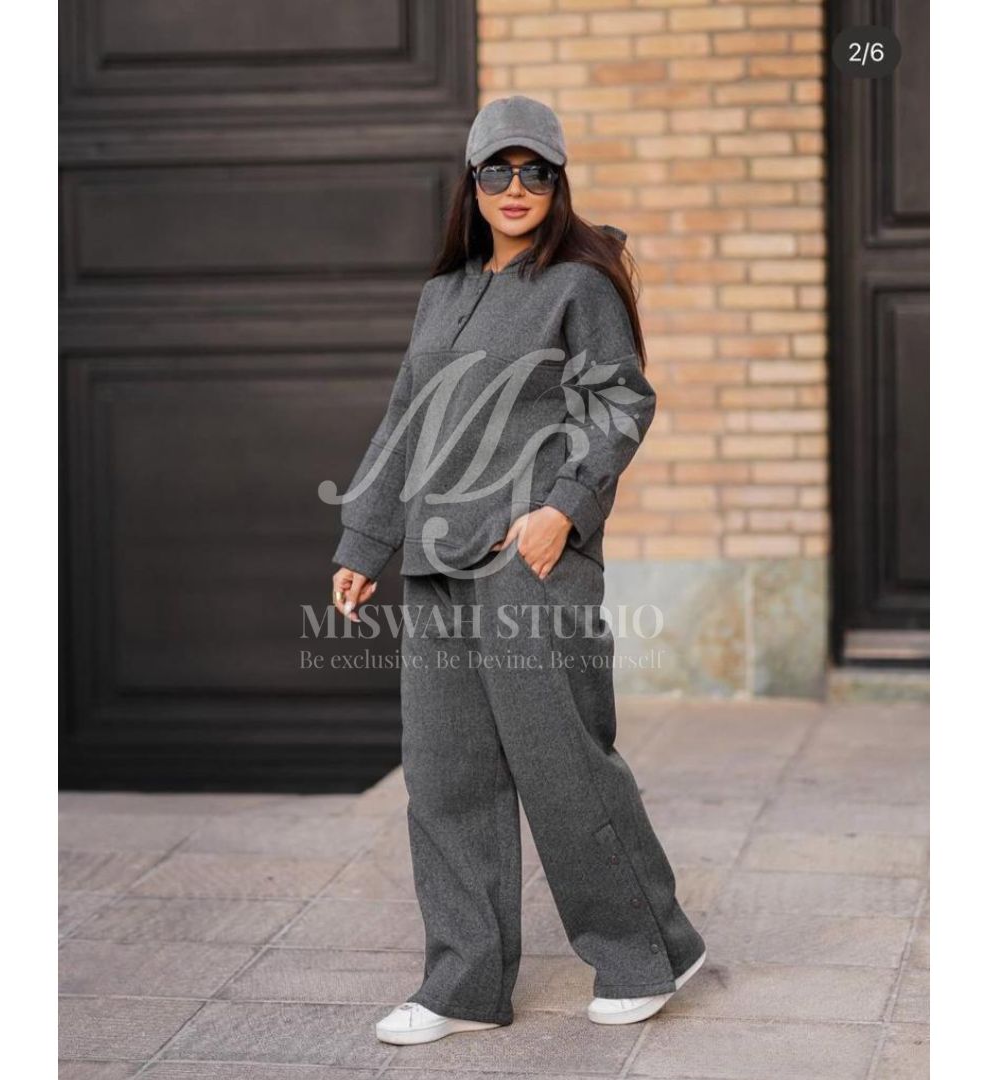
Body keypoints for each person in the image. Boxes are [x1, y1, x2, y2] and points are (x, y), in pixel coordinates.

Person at [327, 95, 707, 1045]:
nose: (515, 187)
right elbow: (405, 420)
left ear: (557, 181)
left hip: (530, 561)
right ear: (473, 181)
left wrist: (563, 509)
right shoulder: (444, 292)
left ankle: (646, 952)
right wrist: (365, 543)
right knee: (444, 776)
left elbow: (622, 402)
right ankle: (462, 985)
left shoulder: (579, 284)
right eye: (497, 169)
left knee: (561, 762)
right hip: (434, 565)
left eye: (535, 170)